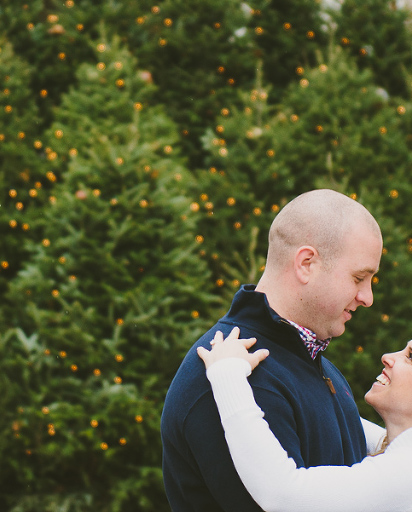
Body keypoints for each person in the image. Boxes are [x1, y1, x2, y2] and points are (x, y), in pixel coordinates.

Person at [161, 189, 384, 511]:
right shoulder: (231, 373)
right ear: (306, 263)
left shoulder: (316, 367)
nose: (367, 297)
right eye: (359, 277)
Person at [198, 311, 412, 512]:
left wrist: (227, 375)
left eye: (410, 356)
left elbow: (282, 494)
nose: (388, 356)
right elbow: (337, 419)